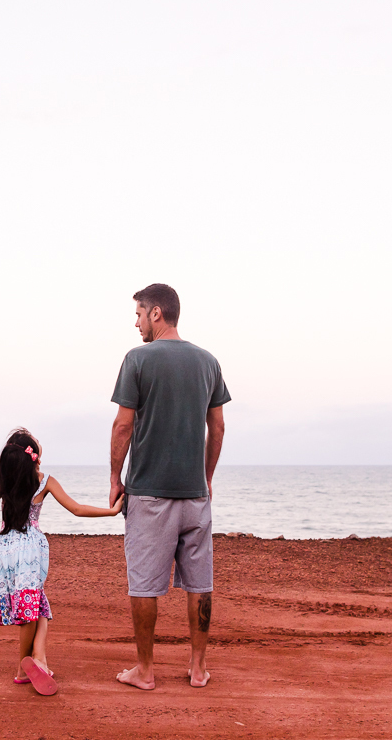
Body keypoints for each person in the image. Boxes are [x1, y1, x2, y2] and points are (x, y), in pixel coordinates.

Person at [108, 284, 230, 690]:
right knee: (200, 581)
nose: (137, 322)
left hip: (149, 493)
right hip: (195, 494)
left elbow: (123, 425)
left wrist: (115, 478)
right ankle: (197, 669)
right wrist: (206, 477)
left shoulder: (138, 359)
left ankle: (145, 670)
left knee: (144, 583)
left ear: (156, 313)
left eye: (140, 314)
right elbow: (218, 427)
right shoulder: (208, 361)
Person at [0, 428, 123, 696]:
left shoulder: (6, 481)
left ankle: (40, 659)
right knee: (31, 609)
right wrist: (110, 513)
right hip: (31, 549)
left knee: (36, 606)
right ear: (34, 455)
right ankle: (22, 669)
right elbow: (76, 509)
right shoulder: (44, 480)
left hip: (5, 549)